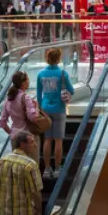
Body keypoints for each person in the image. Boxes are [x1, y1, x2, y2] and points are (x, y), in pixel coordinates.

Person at [36, 47, 75, 179]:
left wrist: (41, 110)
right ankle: (58, 168)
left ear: (47, 58)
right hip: (59, 108)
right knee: (58, 141)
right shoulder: (62, 73)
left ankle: (47, 169)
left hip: (46, 109)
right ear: (58, 59)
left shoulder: (41, 74)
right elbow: (71, 90)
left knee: (47, 139)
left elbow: (38, 95)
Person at [0, 70, 42, 138]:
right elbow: (33, 117)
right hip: (28, 137)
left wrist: (11, 133)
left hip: (15, 136)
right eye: (27, 79)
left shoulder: (8, 99)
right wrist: (36, 107)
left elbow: (3, 122)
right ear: (23, 83)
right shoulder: (25, 98)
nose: (29, 81)